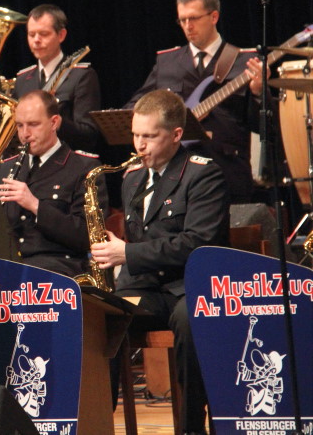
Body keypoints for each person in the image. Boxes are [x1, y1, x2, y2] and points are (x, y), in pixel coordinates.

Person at [91, 89, 230, 434]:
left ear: (176, 134)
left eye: (149, 137)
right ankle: (97, 422)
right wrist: (116, 292)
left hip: (190, 287)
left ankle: (191, 427)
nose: (139, 145)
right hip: (148, 289)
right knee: (100, 317)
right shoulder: (133, 178)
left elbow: (197, 243)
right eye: (135, 135)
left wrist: (127, 254)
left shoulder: (202, 174)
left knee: (189, 318)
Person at [125, 0, 262, 203]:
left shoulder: (244, 62)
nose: (188, 26)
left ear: (214, 16)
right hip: (176, 176)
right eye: (182, 20)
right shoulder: (167, 62)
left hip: (226, 174)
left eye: (194, 18)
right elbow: (137, 106)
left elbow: (264, 127)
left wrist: (258, 93)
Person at [0, 90, 106, 277]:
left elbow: (87, 236)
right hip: (10, 263)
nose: (25, 134)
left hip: (59, 266)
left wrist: (35, 205)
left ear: (54, 122)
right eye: (20, 125)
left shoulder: (84, 168)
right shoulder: (6, 168)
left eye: (33, 124)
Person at [13, 4, 101, 153]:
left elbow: (89, 135)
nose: (36, 40)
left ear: (61, 35)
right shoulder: (22, 79)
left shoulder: (81, 76)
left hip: (67, 160)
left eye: (44, 34)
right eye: (31, 34)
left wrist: (58, 122)